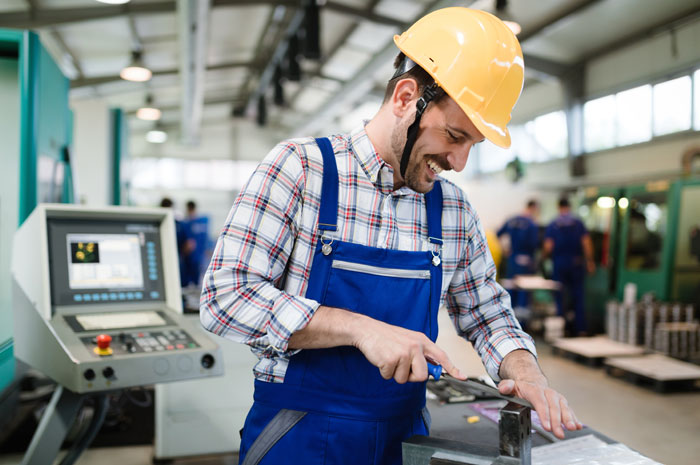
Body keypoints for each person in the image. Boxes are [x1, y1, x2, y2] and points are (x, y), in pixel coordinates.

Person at [200, 8, 581, 465]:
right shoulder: (301, 170)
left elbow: (488, 313)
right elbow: (225, 298)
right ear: (406, 98)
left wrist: (527, 372)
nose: (458, 162)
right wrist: (360, 330)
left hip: (406, 443)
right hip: (296, 434)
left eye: (471, 146)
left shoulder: (453, 209)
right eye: (454, 135)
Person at [543, 198, 595, 335]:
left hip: (559, 264)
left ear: (559, 207)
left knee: (559, 296)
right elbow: (586, 243)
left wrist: (544, 258)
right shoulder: (578, 223)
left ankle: (561, 329)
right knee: (578, 296)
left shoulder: (554, 224)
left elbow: (548, 246)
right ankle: (580, 329)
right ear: (569, 206)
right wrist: (590, 261)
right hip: (576, 263)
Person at [497, 200, 540, 311]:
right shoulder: (532, 224)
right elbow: (534, 244)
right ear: (534, 208)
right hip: (526, 261)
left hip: (513, 260)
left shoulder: (512, 220)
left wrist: (504, 249)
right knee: (524, 290)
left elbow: (497, 235)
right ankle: (522, 322)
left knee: (511, 287)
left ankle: (509, 316)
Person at [181, 200, 209, 287]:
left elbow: (189, 245)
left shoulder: (187, 224)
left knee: (189, 284)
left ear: (188, 208)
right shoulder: (204, 221)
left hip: (191, 259)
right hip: (202, 258)